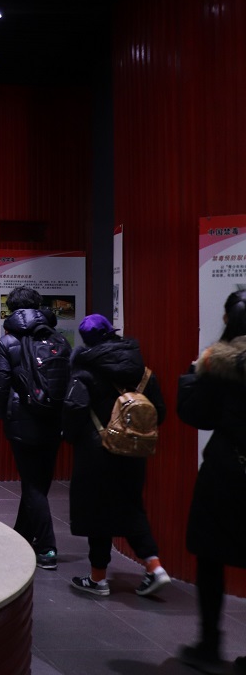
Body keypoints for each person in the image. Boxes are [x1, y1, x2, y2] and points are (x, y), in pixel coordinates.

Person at [64, 313, 169, 598]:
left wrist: (71, 436)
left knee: (97, 512)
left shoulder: (85, 371)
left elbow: (74, 408)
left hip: (96, 451)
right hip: (133, 450)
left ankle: (98, 579)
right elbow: (159, 412)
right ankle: (154, 566)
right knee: (131, 507)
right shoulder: (141, 370)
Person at [176, 289, 246, 674]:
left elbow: (196, 414)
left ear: (228, 320)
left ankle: (208, 644)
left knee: (211, 557)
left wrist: (192, 376)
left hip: (226, 473)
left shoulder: (217, 364)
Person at [0, 286, 70, 570]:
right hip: (54, 419)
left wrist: (1, 415)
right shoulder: (58, 339)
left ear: (12, 309)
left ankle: (47, 548)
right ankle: (21, 535)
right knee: (38, 482)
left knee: (33, 485)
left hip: (22, 420)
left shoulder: (7, 342)